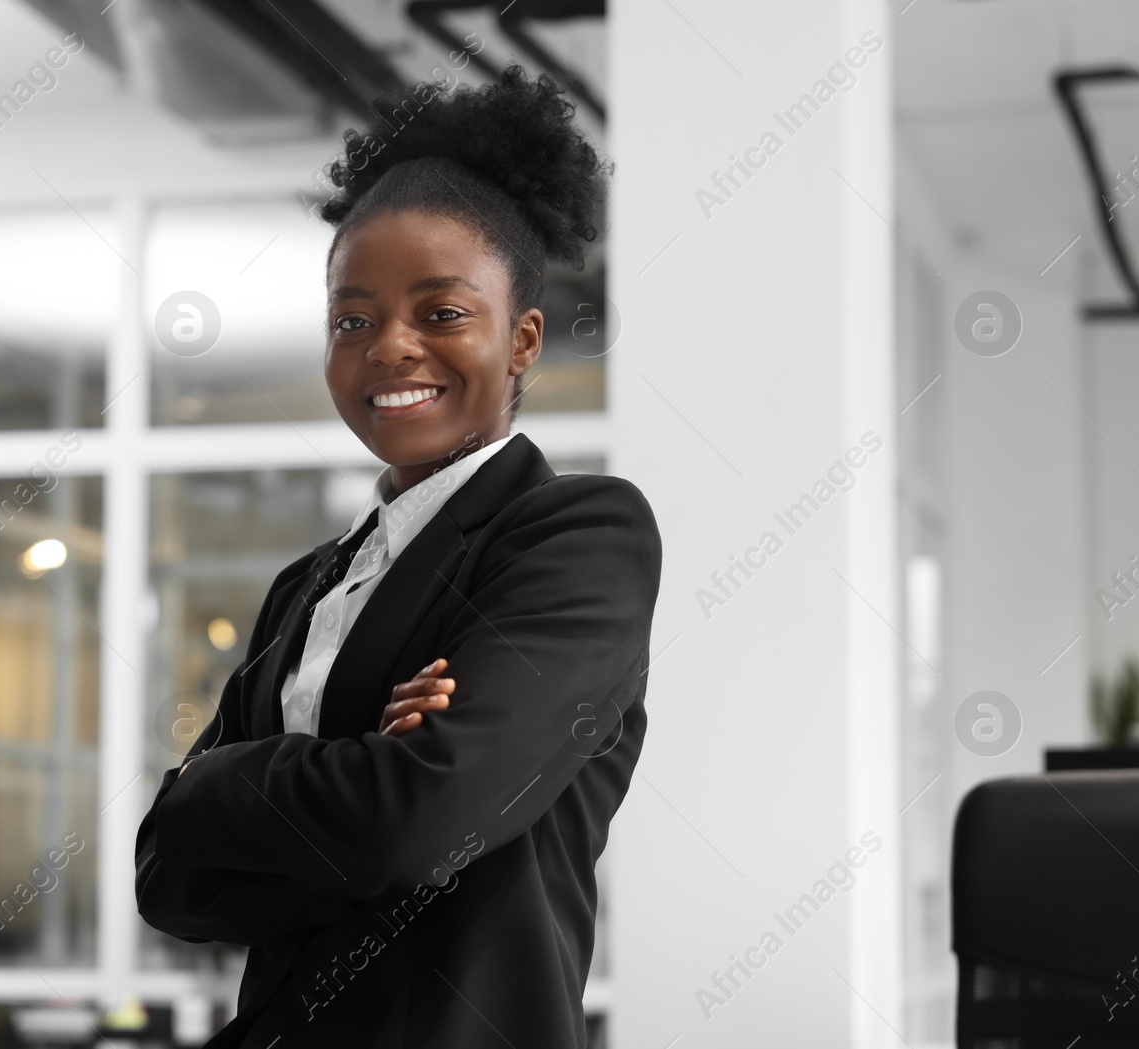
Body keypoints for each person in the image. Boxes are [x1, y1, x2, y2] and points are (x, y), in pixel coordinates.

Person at [135, 65, 661, 1048]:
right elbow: (170, 877)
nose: (389, 348)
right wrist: (349, 773)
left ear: (522, 341)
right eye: (352, 318)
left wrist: (219, 781)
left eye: (442, 312)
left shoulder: (579, 535)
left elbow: (419, 823)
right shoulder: (310, 586)